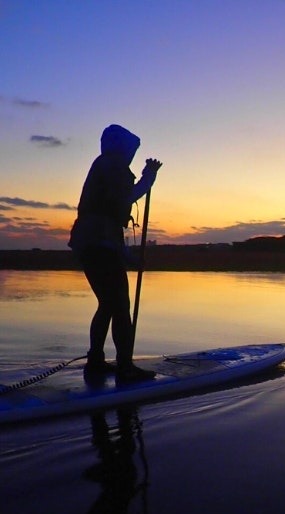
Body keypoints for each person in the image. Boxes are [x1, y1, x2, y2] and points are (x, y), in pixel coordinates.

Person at [69, 124, 162, 382]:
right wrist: (148, 179)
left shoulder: (105, 164)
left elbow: (110, 216)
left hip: (92, 243)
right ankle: (124, 367)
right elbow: (124, 199)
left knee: (108, 304)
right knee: (119, 305)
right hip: (97, 243)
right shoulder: (112, 165)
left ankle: (97, 361)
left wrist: (126, 256)